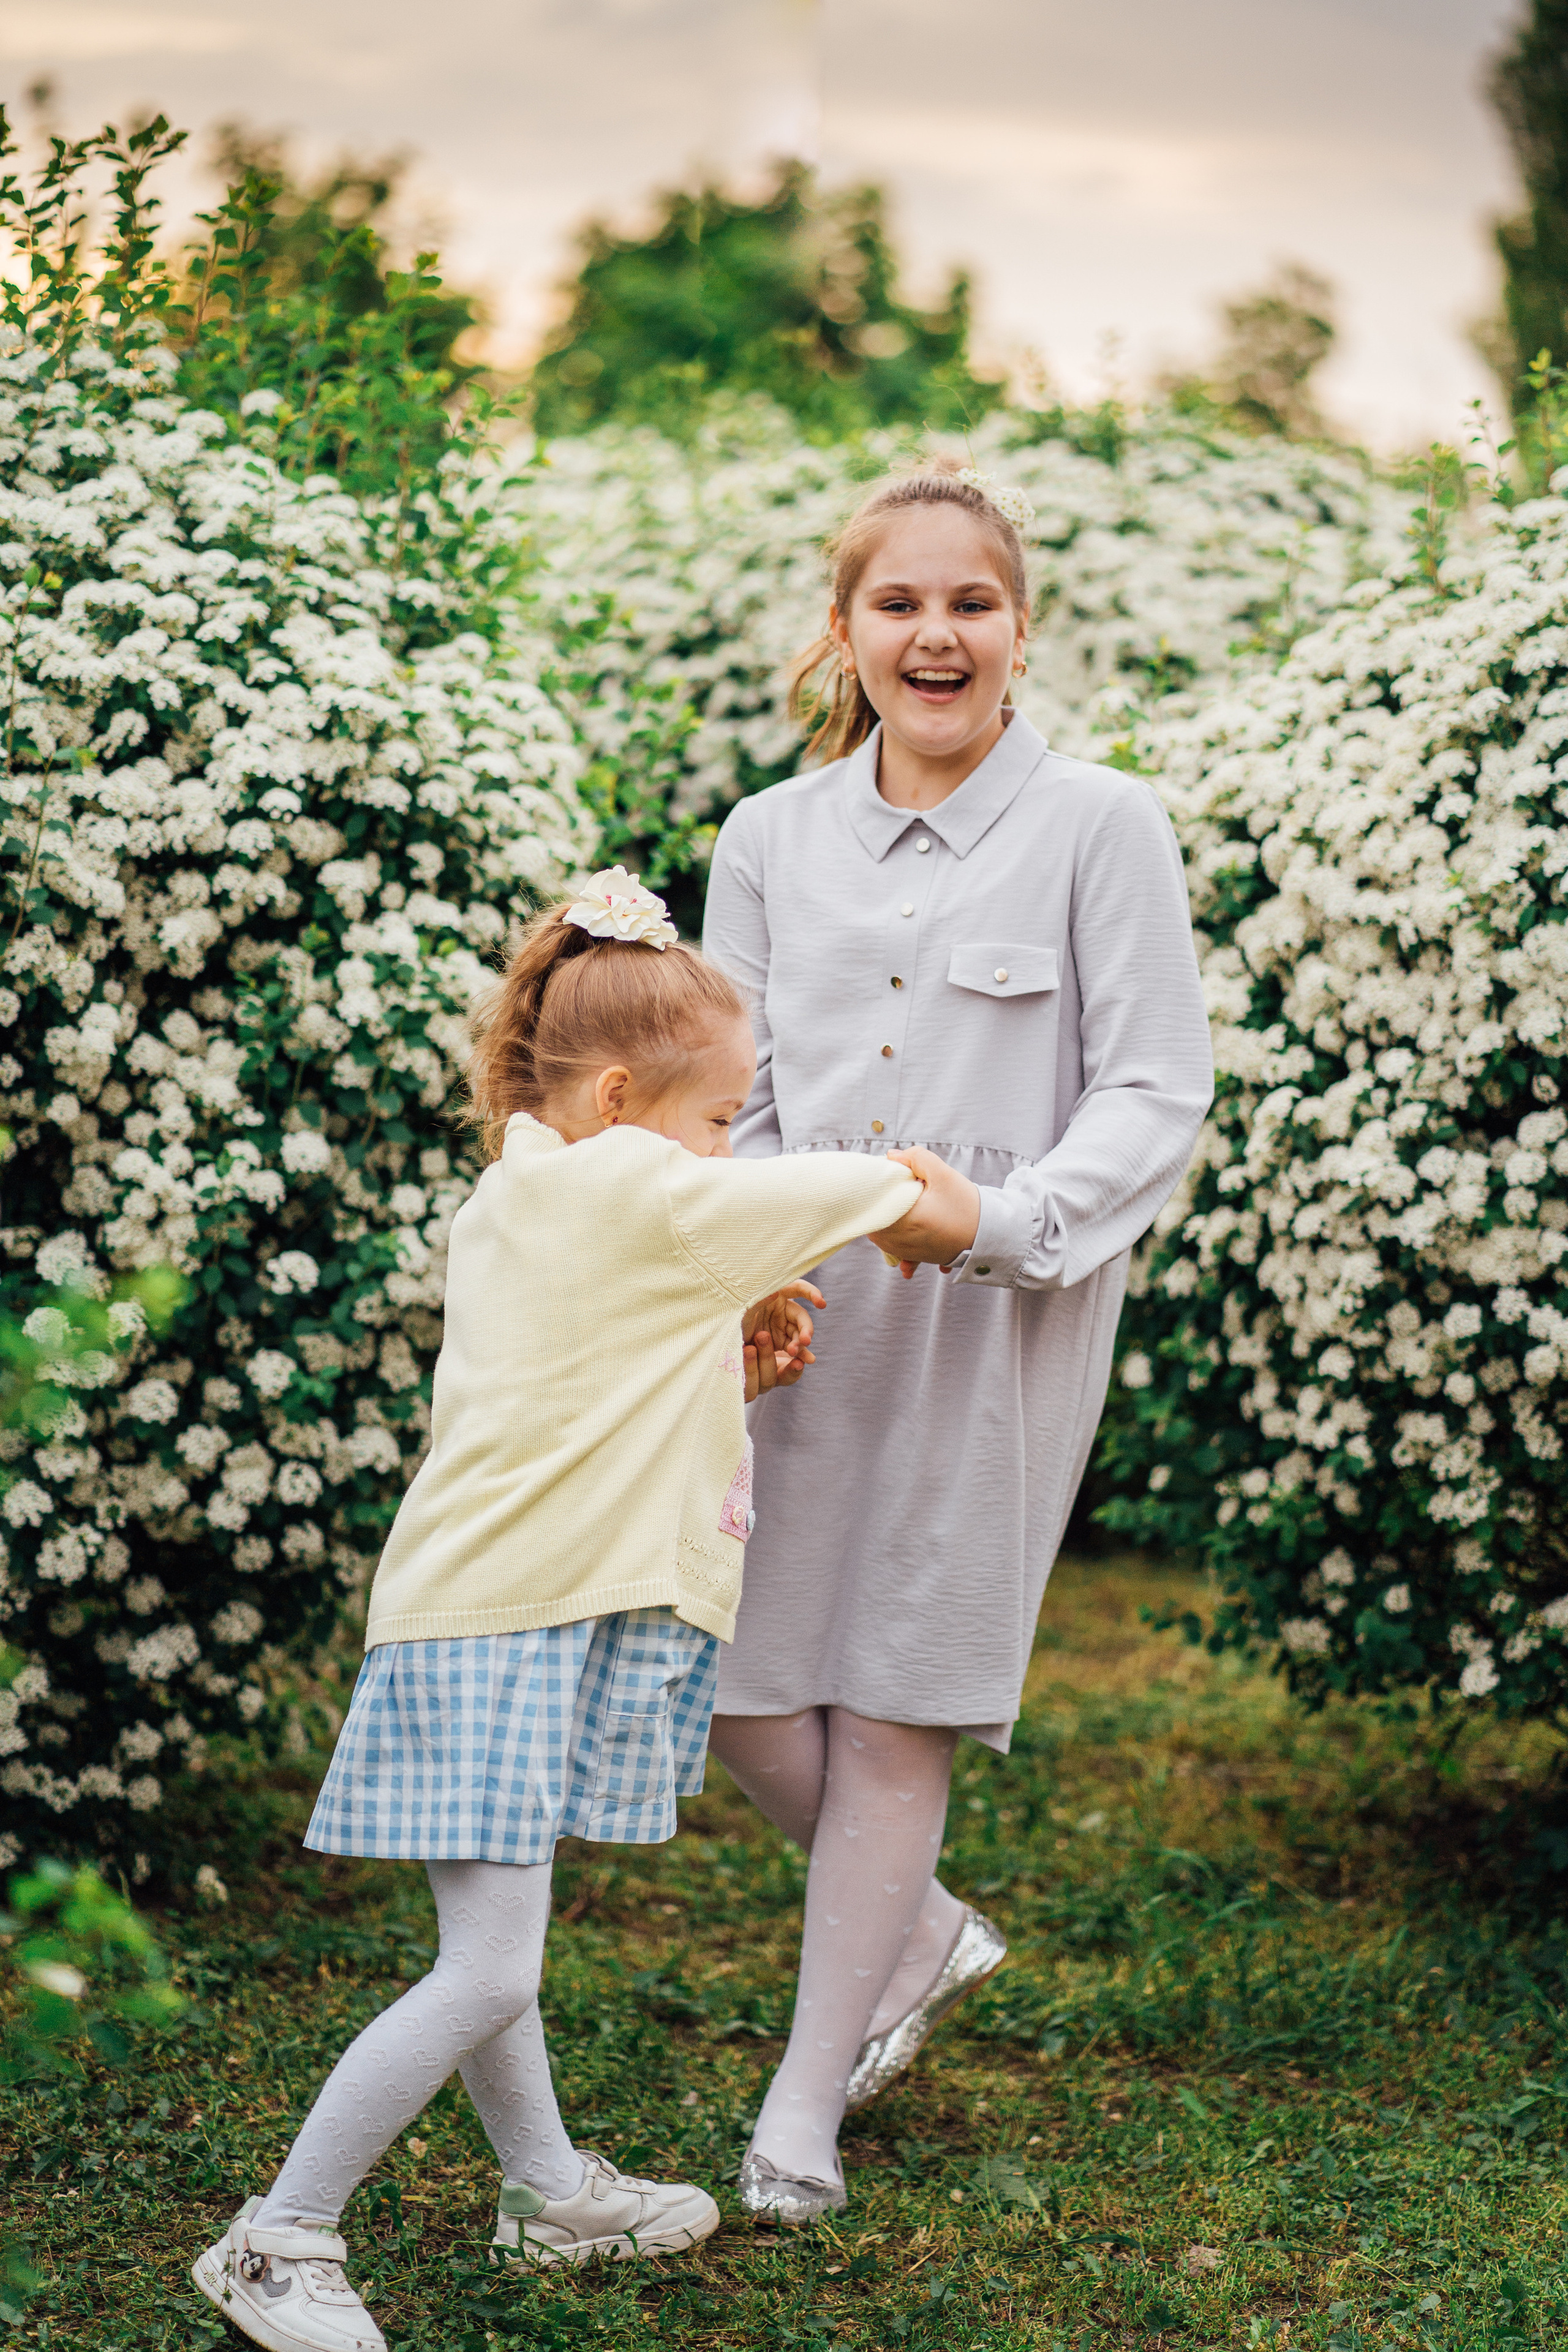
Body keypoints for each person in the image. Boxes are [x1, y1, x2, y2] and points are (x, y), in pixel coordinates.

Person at [192, 867, 925, 2352]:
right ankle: (278, 2238)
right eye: (718, 1117)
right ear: (611, 1099)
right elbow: (826, 1195)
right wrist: (915, 1180)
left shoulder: (532, 1191)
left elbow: (584, 1394)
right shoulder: (622, 1183)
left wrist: (725, 1363)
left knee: (497, 1933)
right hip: (500, 1616)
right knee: (487, 1965)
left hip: (497, 1602)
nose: (727, 1146)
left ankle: (546, 2192)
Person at [703, 460, 1215, 2225]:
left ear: (1022, 628)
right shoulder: (768, 837)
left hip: (1001, 1311)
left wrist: (994, 1226)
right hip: (800, 1313)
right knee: (745, 1676)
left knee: (899, 1690)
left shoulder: (1103, 827)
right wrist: (751, 1258)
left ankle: (800, 2109)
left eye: (969, 603)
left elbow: (1155, 1087)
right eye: (900, 602)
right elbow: (736, 1096)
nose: (937, 634)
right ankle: (912, 1931)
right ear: (843, 629)